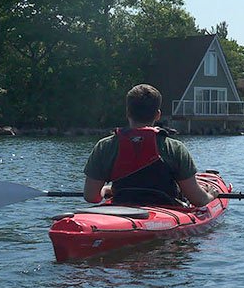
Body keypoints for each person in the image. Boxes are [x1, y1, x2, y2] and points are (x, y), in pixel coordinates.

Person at [83, 84, 214, 207]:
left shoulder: (105, 146)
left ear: (128, 112)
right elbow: (198, 200)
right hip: (165, 215)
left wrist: (106, 189)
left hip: (121, 210)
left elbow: (91, 197)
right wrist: (211, 196)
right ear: (158, 115)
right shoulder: (175, 148)